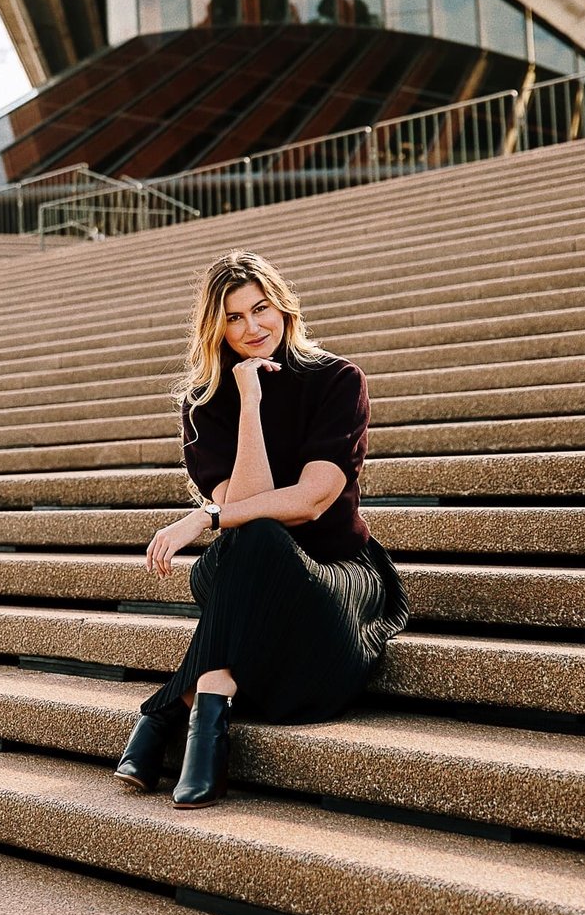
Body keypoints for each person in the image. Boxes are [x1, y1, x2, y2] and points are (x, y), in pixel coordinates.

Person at [114, 249, 410, 809]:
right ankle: (204, 719)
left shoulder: (337, 381)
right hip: (252, 574)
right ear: (216, 329)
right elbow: (250, 507)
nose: (252, 327)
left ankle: (176, 707)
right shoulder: (206, 405)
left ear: (284, 308)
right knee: (253, 540)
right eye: (233, 317)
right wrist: (249, 401)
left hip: (334, 583)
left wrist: (206, 516)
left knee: (256, 536)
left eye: (261, 309)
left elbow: (309, 502)